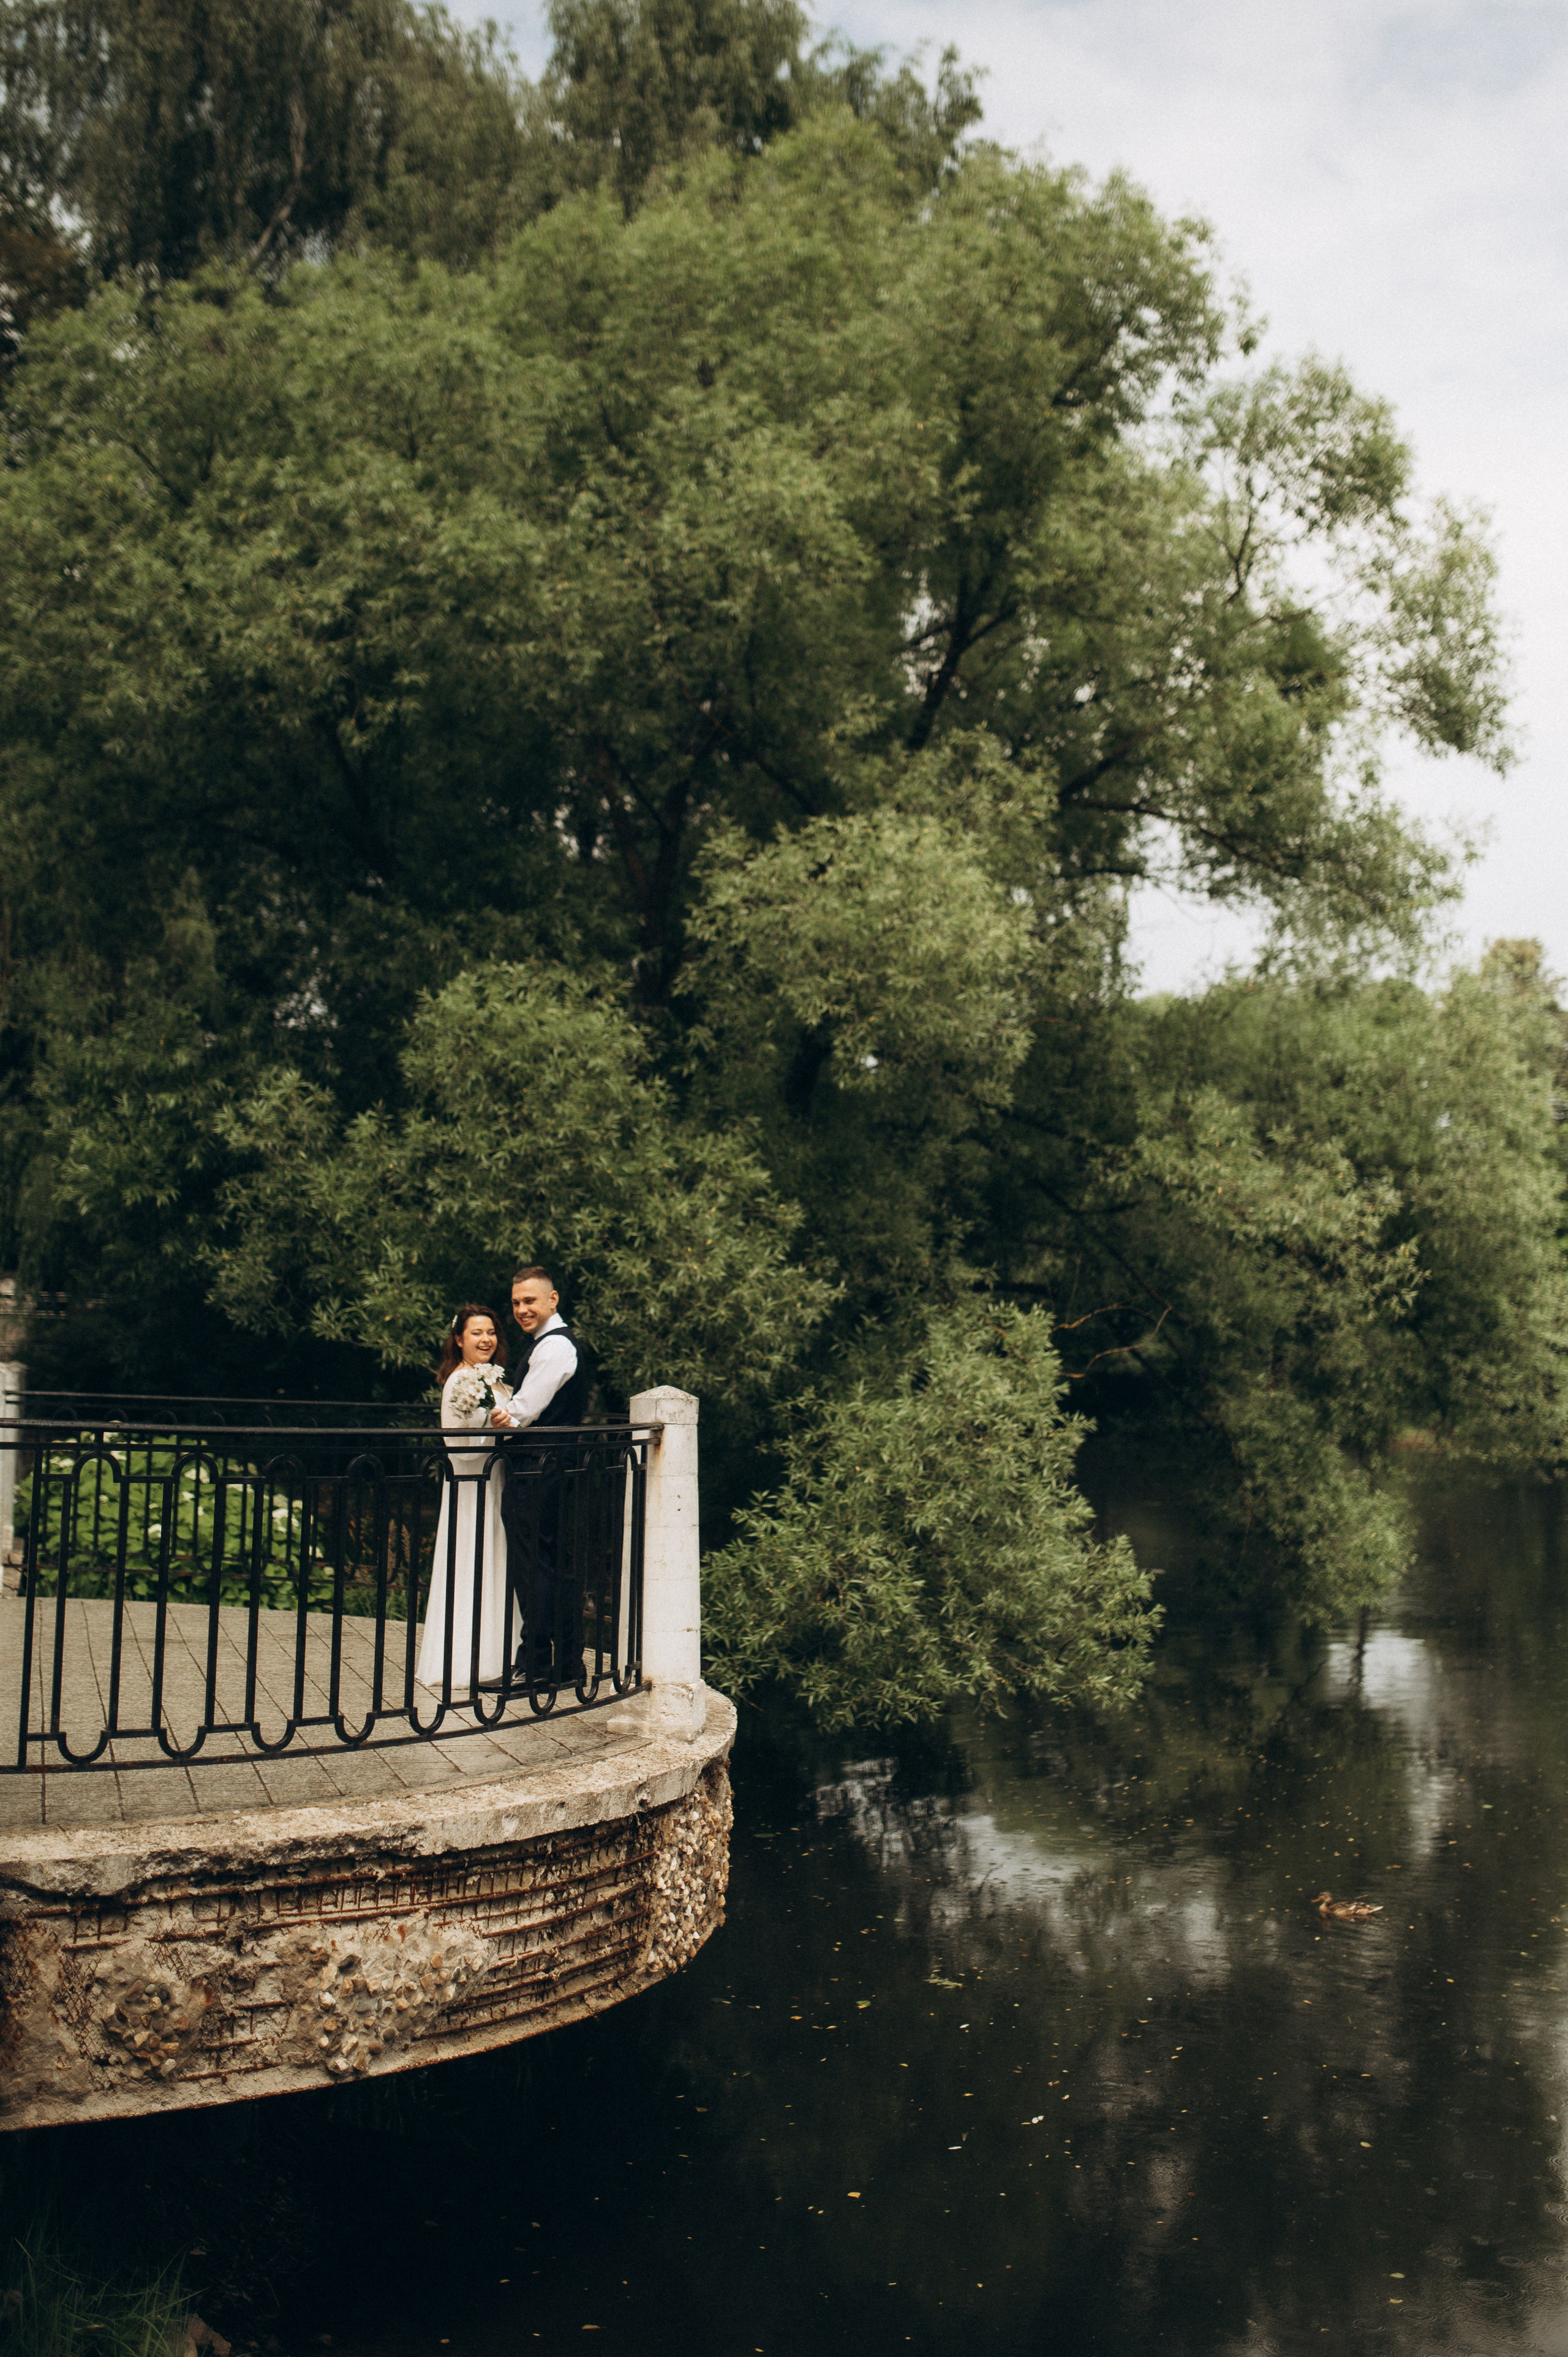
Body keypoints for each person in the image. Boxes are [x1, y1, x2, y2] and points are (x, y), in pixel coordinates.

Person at [486, 1265, 594, 1689]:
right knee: (556, 1566)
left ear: (553, 1300)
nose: (521, 1309)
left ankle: (535, 1666)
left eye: (530, 1300)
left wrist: (496, 1413)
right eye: (515, 1303)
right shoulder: (551, 1345)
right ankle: (566, 1663)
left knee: (534, 1567)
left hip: (538, 1468)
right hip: (556, 1467)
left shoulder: (553, 1348)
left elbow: (521, 1414)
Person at [416, 1305, 510, 1696]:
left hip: (497, 1481)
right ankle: (468, 1659)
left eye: (490, 1332)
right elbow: (458, 1448)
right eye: (476, 1333)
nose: (486, 1339)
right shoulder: (460, 1382)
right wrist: (494, 1426)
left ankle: (500, 1654)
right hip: (472, 1485)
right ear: (459, 1340)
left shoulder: (495, 1378)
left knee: (496, 1561)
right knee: (472, 1561)